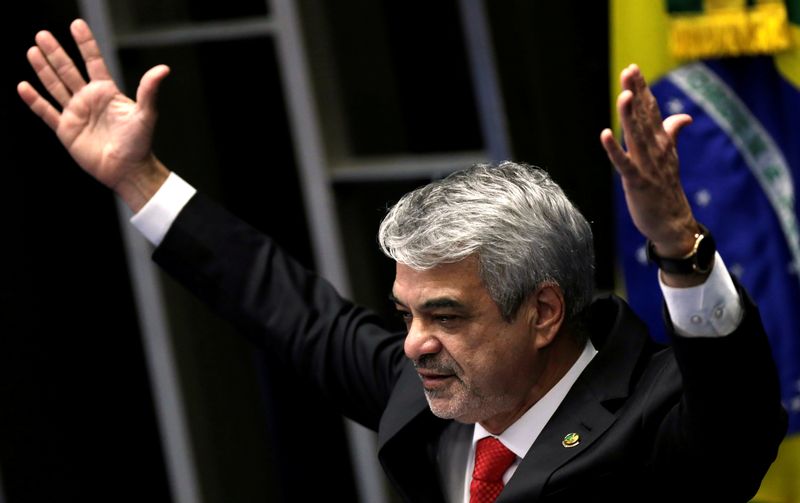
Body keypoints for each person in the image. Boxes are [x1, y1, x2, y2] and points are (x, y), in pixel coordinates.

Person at [18, 19, 786, 503]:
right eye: (407, 312)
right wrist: (137, 178)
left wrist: (679, 246)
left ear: (545, 311)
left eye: (446, 314)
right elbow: (283, 306)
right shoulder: (424, 393)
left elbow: (740, 403)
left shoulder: (659, 420)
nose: (414, 340)